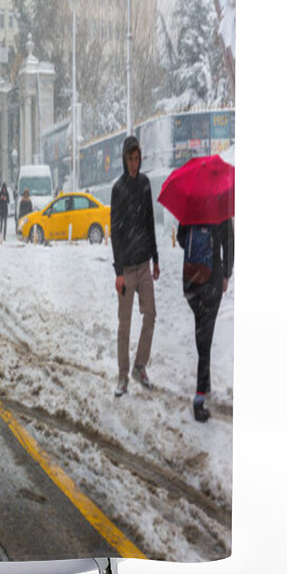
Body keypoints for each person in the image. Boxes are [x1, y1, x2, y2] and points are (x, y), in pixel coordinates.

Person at [110, 136, 159, 396]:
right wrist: (118, 272)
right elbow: (114, 233)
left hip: (144, 265)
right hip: (127, 270)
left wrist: (157, 259)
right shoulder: (118, 189)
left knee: (150, 314)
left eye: (137, 158)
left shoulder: (145, 185)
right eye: (130, 158)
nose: (134, 163)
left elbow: (150, 222)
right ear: (124, 159)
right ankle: (122, 376)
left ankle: (140, 366)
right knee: (124, 324)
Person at [177, 218, 234, 422]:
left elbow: (181, 239)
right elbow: (230, 244)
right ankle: (199, 399)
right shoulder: (220, 207)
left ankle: (206, 381)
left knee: (201, 330)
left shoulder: (191, 206)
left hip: (191, 280)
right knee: (205, 336)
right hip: (212, 280)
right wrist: (226, 273)